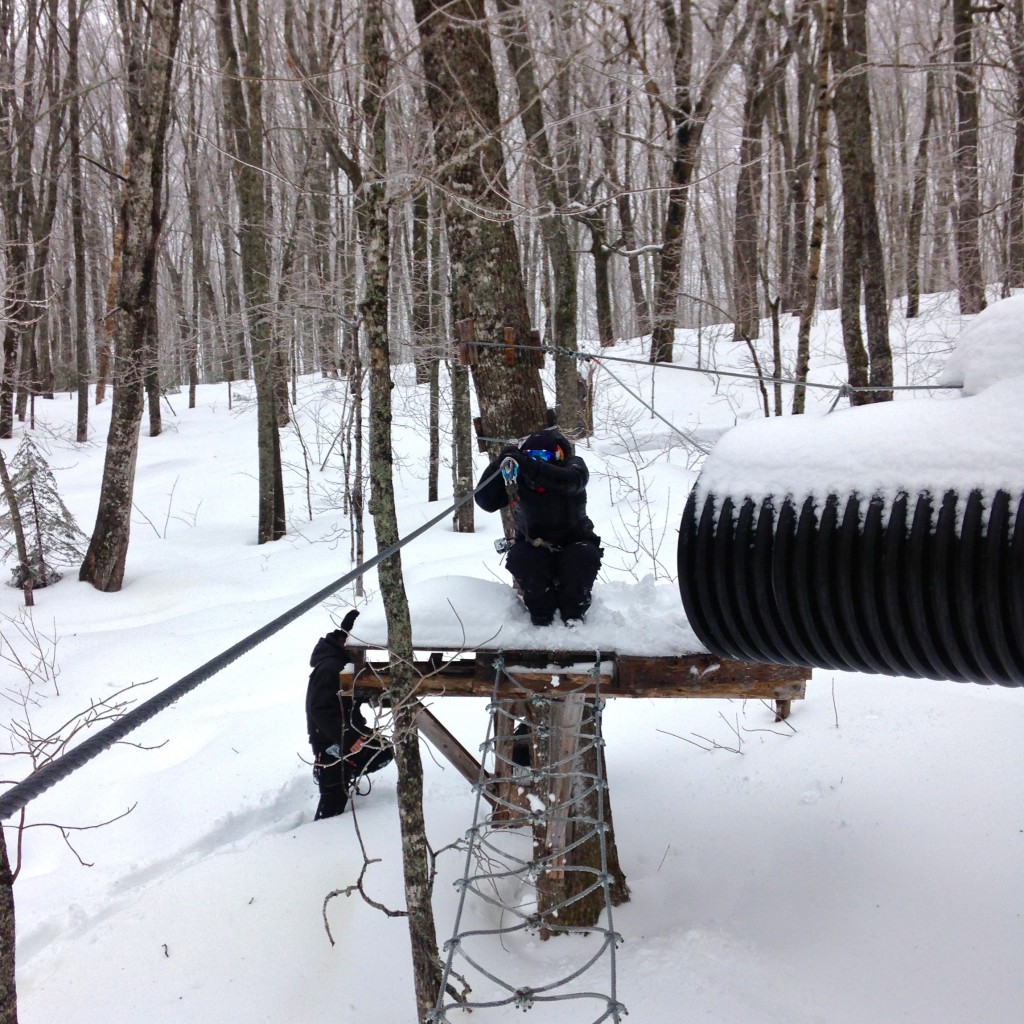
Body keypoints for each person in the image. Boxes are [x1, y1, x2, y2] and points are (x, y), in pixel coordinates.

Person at [475, 427, 602, 626]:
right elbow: (486, 501)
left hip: (575, 541)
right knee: (522, 559)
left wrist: (529, 466)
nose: (537, 460)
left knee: (582, 558)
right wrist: (498, 465)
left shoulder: (572, 466)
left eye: (543, 455)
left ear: (557, 455)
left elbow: (571, 481)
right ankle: (542, 618)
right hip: (533, 543)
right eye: (531, 455)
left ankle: (574, 616)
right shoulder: (520, 475)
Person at [306, 609, 393, 820]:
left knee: (383, 751)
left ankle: (346, 775)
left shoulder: (345, 662)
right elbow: (320, 709)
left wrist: (383, 697)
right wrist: (348, 739)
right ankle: (319, 837)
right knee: (332, 806)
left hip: (348, 734)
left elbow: (350, 697)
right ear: (349, 638)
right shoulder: (330, 665)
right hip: (330, 740)